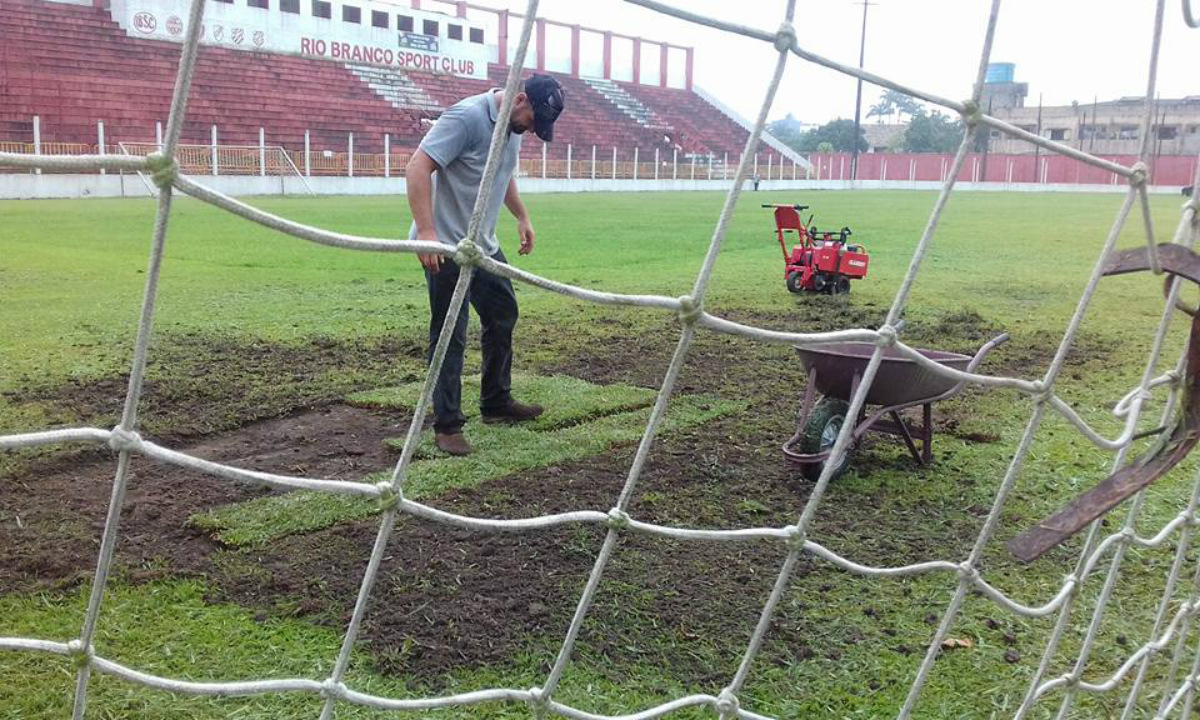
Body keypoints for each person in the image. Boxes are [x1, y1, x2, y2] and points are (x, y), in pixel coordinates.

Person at [406, 74, 566, 456]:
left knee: (502, 314)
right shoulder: (466, 117)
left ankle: (496, 401)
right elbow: (417, 166)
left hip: (483, 247)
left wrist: (521, 216)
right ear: (520, 99)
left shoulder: (511, 124)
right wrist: (427, 231)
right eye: (532, 122)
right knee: (450, 334)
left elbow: (501, 172)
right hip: (447, 246)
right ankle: (447, 425)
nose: (530, 131)